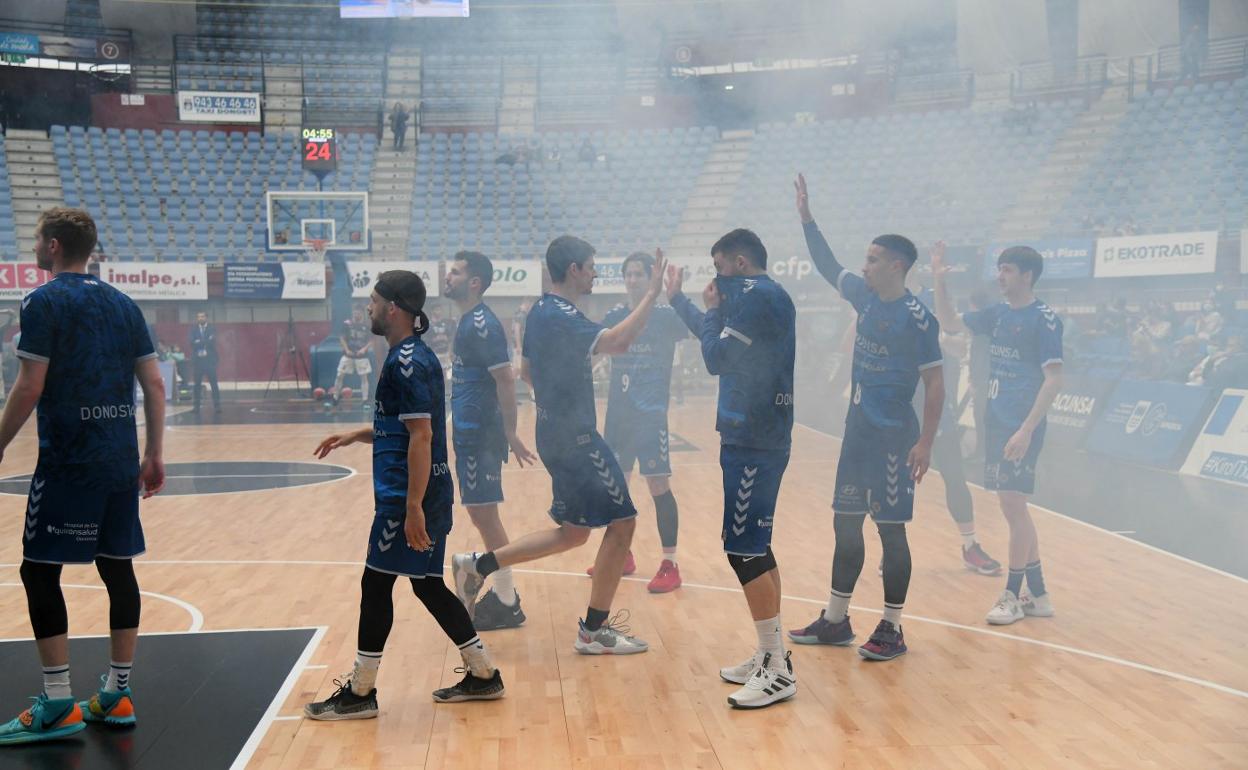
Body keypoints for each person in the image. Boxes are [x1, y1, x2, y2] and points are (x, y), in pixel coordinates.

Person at [450, 236, 667, 656]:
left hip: (555, 432)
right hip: (576, 436)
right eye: (590, 267)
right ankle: (594, 631)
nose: (595, 274)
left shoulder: (538, 312)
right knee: (622, 523)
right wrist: (653, 295)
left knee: (572, 534)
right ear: (573, 270)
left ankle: (478, 566)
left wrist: (561, 388)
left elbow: (528, 371)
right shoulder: (563, 313)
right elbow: (619, 343)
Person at [305, 270, 504, 720]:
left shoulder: (406, 361)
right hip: (423, 492)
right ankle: (483, 673)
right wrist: (358, 434)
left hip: (408, 497)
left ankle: (360, 691)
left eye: (373, 302)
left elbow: (421, 435)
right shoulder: (412, 354)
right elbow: (407, 425)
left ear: (394, 307)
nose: (368, 309)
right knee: (428, 586)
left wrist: (412, 507)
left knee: (375, 584)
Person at [0, 207, 165, 745]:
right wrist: (154, 453)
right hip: (120, 460)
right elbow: (155, 386)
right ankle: (117, 693)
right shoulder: (123, 303)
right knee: (118, 570)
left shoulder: (42, 301)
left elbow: (29, 387)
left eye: (36, 240)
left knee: (39, 573)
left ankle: (57, 702)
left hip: (70, 462)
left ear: (52, 246)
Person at [787, 175, 944, 663]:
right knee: (845, 525)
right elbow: (827, 264)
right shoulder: (865, 296)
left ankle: (892, 628)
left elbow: (935, 385)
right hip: (856, 437)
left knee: (890, 532)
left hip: (896, 442)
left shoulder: (919, 319)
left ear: (897, 266)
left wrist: (927, 444)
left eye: (873, 259)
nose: (864, 265)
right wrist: (807, 218)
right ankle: (836, 620)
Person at [667, 228, 798, 709]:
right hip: (755, 433)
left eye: (721, 269)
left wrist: (714, 309)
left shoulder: (757, 297)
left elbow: (715, 358)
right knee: (756, 546)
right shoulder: (762, 296)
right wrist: (681, 301)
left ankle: (777, 667)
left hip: (755, 438)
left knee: (742, 549)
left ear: (740, 263)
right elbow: (716, 337)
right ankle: (772, 655)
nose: (718, 280)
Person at [932, 244, 1063, 626]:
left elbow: (1054, 379)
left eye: (1007, 270)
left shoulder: (1045, 319)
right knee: (1014, 508)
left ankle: (1011, 593)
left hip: (1020, 426)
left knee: (1013, 507)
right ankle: (1038, 595)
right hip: (997, 421)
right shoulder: (999, 315)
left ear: (1027, 275)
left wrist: (1026, 428)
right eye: (999, 269)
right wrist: (941, 281)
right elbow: (950, 321)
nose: (1000, 276)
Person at [443, 251, 538, 630]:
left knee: (485, 515)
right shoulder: (468, 320)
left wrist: (511, 433)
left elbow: (506, 379)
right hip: (470, 431)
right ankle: (504, 597)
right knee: (481, 514)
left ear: (475, 282)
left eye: (455, 272)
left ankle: (507, 600)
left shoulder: (481, 323)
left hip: (480, 433)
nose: (447, 277)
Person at [594, 252, 691, 593]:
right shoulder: (616, 315)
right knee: (616, 488)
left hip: (650, 417)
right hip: (619, 417)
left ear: (652, 278)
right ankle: (624, 555)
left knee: (658, 487)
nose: (633, 279)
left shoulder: (666, 316)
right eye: (629, 274)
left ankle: (670, 563)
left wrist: (679, 296)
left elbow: (699, 326)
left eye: (639, 274)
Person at [910, 244, 1002, 576]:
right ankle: (891, 550)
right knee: (895, 484)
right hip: (901, 409)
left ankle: (970, 545)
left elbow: (951, 332)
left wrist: (940, 281)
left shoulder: (934, 301)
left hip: (936, 407)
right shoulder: (885, 302)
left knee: (955, 477)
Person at [332, 307, 374, 406]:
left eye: (358, 313)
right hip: (348, 354)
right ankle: (335, 397)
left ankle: (365, 399)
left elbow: (372, 340)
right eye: (355, 313)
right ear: (352, 313)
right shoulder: (347, 324)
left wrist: (364, 349)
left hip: (361, 356)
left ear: (362, 314)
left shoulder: (367, 325)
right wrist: (346, 349)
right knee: (339, 375)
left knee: (364, 377)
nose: (356, 315)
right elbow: (341, 338)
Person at [189, 311, 220, 413]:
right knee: (196, 385)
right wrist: (205, 341)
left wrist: (199, 342)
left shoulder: (212, 328)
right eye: (198, 317)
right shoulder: (193, 329)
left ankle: (217, 406)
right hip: (198, 362)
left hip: (209, 361)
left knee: (214, 384)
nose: (200, 318)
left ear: (206, 317)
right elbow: (191, 342)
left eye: (202, 316)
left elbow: (212, 341)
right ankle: (196, 407)